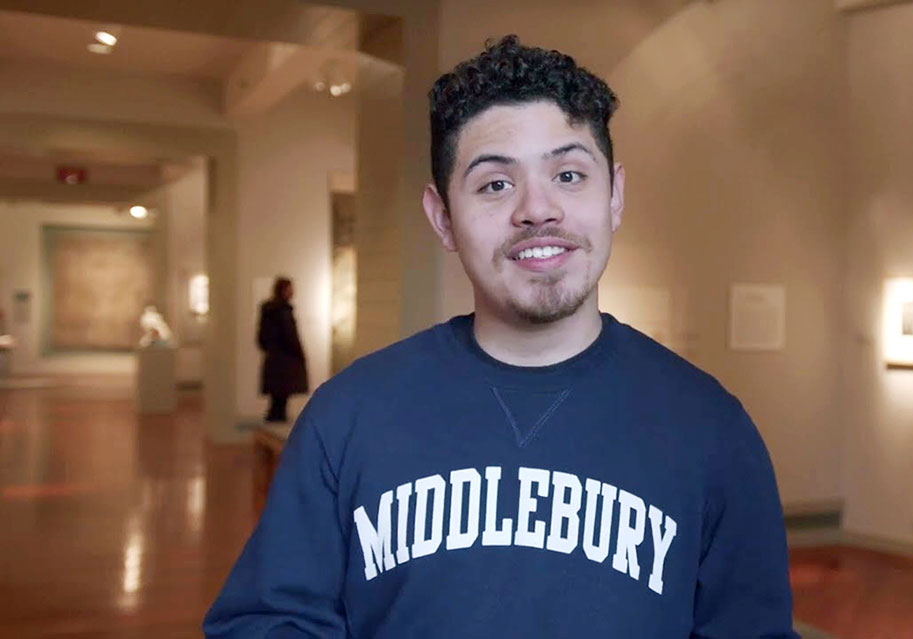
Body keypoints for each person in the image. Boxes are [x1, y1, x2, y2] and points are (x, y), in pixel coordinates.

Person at [205, 36, 797, 638]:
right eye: (494, 185)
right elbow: (266, 621)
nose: (537, 210)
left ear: (614, 196)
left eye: (569, 174)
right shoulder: (349, 416)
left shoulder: (712, 430)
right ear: (443, 218)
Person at [256, 277, 308, 423]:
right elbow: (290, 336)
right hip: (284, 363)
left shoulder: (269, 310)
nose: (292, 292)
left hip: (274, 360)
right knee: (280, 403)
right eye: (290, 289)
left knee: (277, 401)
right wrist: (299, 354)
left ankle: (273, 433)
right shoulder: (283, 311)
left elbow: (261, 339)